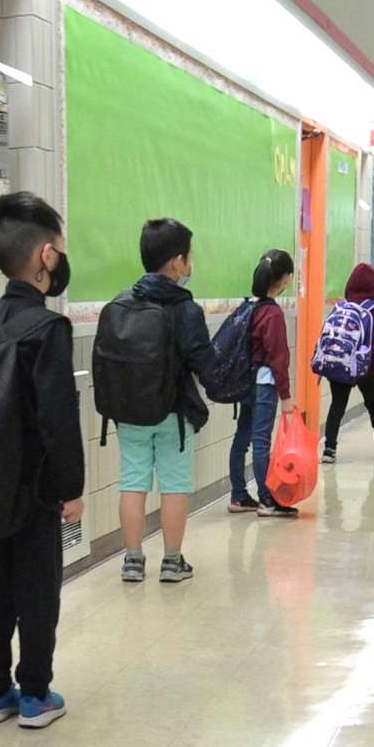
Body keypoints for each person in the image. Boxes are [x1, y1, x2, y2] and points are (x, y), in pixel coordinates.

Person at [0, 192, 85, 728]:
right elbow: (58, 419)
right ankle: (35, 695)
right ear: (45, 257)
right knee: (38, 585)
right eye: (59, 251)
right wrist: (72, 488)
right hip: (35, 486)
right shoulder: (47, 329)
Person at [111, 217, 225, 584]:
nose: (190, 264)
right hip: (173, 413)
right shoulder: (186, 309)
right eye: (189, 257)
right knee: (174, 485)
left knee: (132, 481)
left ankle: (132, 561)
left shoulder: (122, 303)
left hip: (129, 412)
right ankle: (172, 563)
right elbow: (204, 364)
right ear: (177, 262)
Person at [228, 248, 299, 518]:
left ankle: (238, 495)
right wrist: (286, 396)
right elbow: (278, 359)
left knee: (242, 438)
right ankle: (267, 500)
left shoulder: (249, 307)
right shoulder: (273, 314)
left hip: (247, 382)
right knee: (261, 442)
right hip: (265, 384)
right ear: (284, 279)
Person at [317, 261, 374, 465]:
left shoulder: (339, 308)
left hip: (340, 364)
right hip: (366, 367)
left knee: (337, 404)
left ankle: (329, 448)